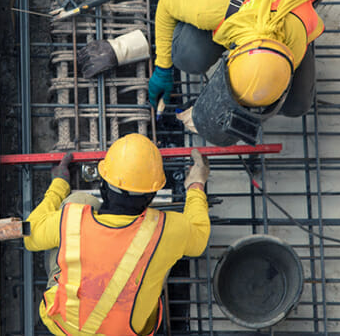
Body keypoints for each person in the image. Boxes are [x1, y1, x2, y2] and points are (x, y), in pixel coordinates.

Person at [24, 134, 211, 335]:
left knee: (79, 199)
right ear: (151, 195)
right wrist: (196, 184)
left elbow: (30, 235)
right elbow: (200, 237)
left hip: (65, 326)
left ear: (103, 185)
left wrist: (58, 184)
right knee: (160, 254)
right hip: (126, 332)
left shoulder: (72, 219)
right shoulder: (168, 229)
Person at [147, 0, 325, 126]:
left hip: (288, 7)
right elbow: (166, 3)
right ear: (232, 56)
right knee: (188, 56)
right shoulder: (212, 8)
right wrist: (163, 67)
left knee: (297, 105)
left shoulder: (300, 32)